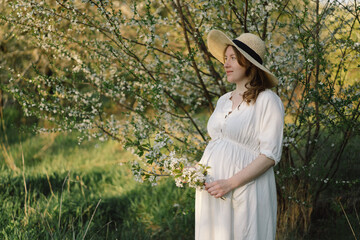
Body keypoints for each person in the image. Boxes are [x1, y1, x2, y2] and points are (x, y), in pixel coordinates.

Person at [195, 29, 284, 240]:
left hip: (244, 189)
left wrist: (231, 183)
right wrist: (196, 170)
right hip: (214, 188)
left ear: (249, 64)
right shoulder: (223, 100)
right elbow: (217, 144)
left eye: (233, 58)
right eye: (225, 58)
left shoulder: (267, 101)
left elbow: (270, 155)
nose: (226, 64)